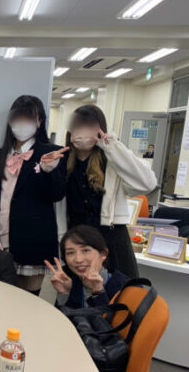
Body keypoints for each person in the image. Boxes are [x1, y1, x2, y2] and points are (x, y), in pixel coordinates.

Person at [0, 95, 68, 295]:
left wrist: (48, 170)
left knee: (27, 299)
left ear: (39, 121)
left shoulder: (52, 153)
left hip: (33, 241)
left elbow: (56, 195)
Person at [64, 105, 157, 278]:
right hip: (75, 240)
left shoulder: (112, 160)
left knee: (119, 291)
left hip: (110, 237)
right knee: (75, 291)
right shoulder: (63, 161)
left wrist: (111, 146)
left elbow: (148, 183)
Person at [46, 225, 129, 309]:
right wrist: (65, 294)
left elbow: (116, 318)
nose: (78, 259)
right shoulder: (72, 282)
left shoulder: (125, 287)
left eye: (85, 250)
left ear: (103, 253)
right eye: (70, 253)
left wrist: (98, 292)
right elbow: (69, 316)